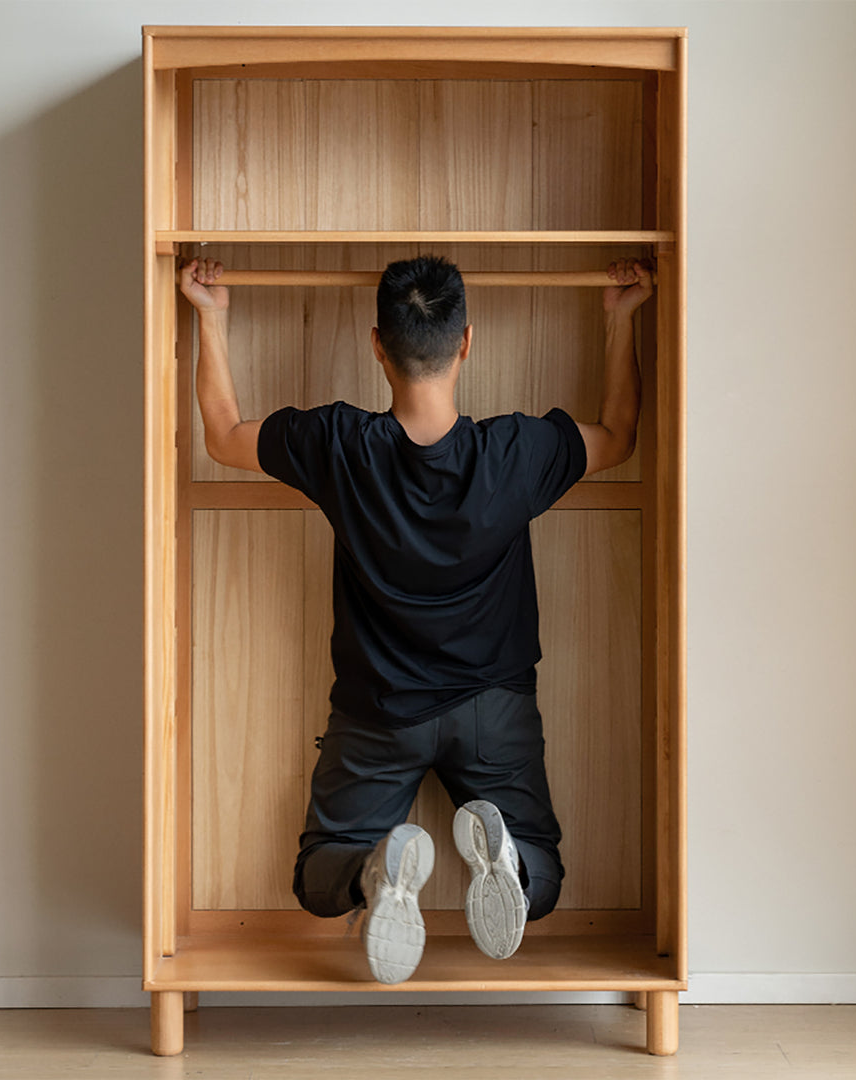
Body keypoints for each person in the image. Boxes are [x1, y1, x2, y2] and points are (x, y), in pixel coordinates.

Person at [178, 253, 653, 984]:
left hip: (380, 715)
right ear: (466, 342)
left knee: (317, 880)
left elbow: (221, 433)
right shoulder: (516, 453)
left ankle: (376, 877)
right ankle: (505, 859)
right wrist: (621, 322)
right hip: (494, 709)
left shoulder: (340, 446)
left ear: (378, 344)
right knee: (544, 879)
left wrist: (211, 315)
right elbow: (620, 436)